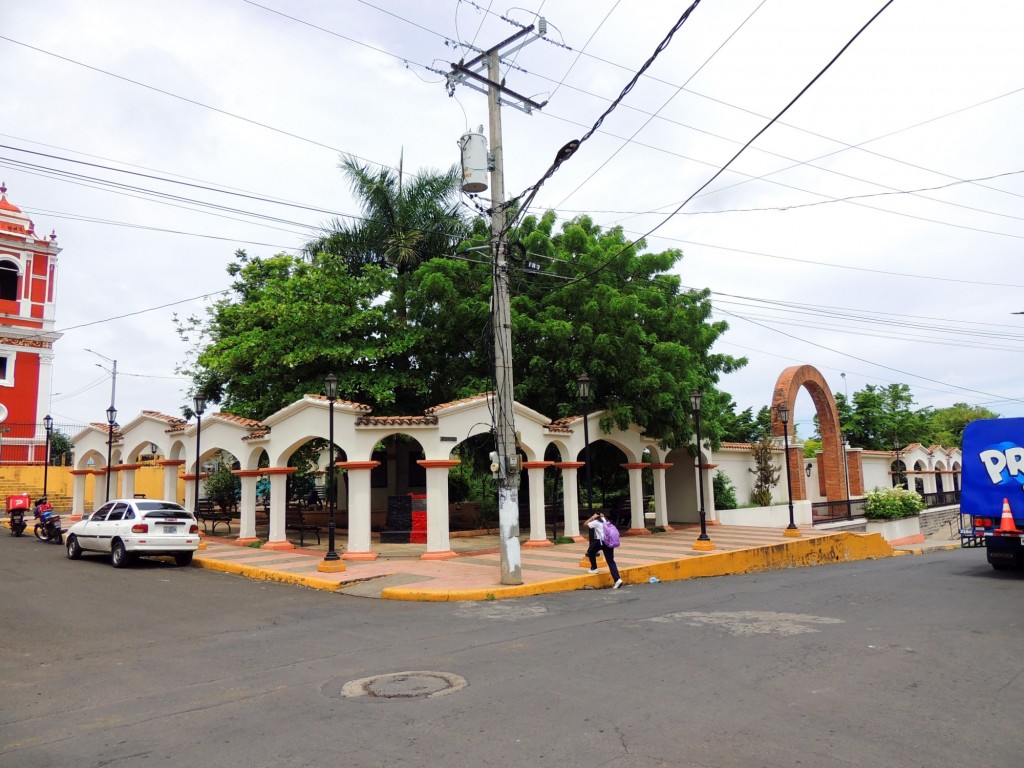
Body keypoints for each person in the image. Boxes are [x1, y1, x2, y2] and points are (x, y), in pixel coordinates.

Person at [584, 512, 622, 589]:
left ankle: (594, 568)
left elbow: (585, 524)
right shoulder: (606, 520)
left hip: (601, 542)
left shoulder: (596, 522)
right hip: (610, 542)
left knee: (590, 552)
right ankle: (617, 579)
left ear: (596, 516)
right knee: (611, 561)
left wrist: (592, 517)